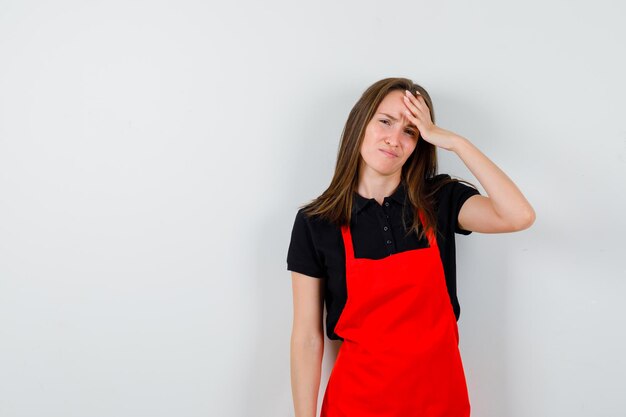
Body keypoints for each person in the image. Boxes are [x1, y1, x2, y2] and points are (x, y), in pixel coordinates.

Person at [286, 77, 535, 417]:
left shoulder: (439, 200)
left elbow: (518, 216)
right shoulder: (316, 222)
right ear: (361, 123)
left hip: (440, 401)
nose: (394, 139)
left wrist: (455, 143)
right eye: (385, 121)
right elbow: (307, 338)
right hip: (358, 403)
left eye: (410, 131)